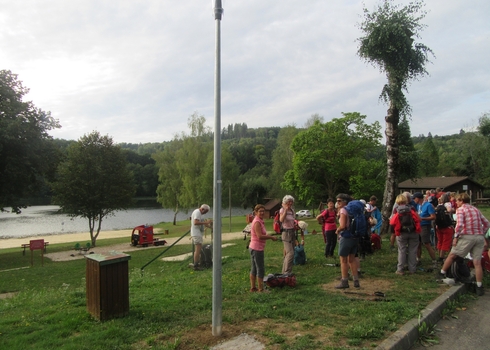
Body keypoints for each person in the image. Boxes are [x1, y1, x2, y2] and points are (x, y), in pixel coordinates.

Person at [438, 193, 490, 296]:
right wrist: (481, 232)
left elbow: (460, 224)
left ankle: (442, 273)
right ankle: (479, 286)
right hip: (478, 237)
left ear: (461, 201)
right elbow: (487, 223)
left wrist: (456, 237)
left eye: (457, 201)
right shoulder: (476, 210)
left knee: (453, 254)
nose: (456, 202)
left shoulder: (461, 210)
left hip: (467, 236)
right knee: (477, 262)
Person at [249, 204, 278, 292]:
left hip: (254, 247)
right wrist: (270, 237)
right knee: (260, 269)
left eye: (263, 211)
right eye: (260, 211)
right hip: (257, 248)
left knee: (254, 268)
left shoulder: (260, 220)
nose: (262, 213)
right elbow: (259, 236)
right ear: (256, 212)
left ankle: (253, 288)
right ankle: (261, 289)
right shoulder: (257, 222)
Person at [390, 194, 421, 275]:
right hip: (413, 232)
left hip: (401, 232)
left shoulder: (396, 210)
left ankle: (400, 269)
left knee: (401, 251)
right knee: (413, 251)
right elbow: (418, 219)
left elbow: (392, 222)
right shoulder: (412, 208)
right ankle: (412, 269)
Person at [335, 193, 360, 289]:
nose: (337, 203)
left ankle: (344, 281)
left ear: (344, 202)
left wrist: (337, 230)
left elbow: (343, 226)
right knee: (352, 259)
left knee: (343, 260)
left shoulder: (343, 210)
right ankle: (356, 280)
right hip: (355, 237)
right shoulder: (353, 210)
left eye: (339, 201)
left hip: (346, 237)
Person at [413, 192, 437, 268]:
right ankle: (418, 259)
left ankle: (434, 260)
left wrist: (422, 218)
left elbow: (433, 217)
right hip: (418, 226)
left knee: (426, 243)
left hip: (425, 226)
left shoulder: (428, 205)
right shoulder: (417, 206)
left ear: (418, 198)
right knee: (418, 244)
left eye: (415, 198)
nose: (414, 200)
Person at [190, 204, 212, 271]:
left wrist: (211, 227)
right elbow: (196, 222)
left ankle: (197, 263)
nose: (205, 213)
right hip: (196, 233)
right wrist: (205, 222)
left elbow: (200, 223)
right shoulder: (197, 212)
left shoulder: (198, 213)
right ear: (202, 209)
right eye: (205, 212)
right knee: (198, 250)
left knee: (198, 249)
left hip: (197, 233)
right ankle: (196, 265)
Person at [435, 192, 454, 263]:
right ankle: (442, 256)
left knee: (440, 241)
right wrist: (453, 210)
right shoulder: (447, 204)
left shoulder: (438, 205)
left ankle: (439, 254)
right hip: (447, 226)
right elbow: (449, 210)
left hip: (439, 226)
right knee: (446, 241)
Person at [279, 195, 296, 274]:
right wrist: (285, 210)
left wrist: (297, 225)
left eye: (291, 201)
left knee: (289, 253)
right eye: (288, 201)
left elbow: (293, 221)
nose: (290, 203)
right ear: (285, 202)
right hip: (286, 233)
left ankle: (285, 272)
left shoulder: (292, 211)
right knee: (290, 253)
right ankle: (287, 272)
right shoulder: (282, 210)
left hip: (292, 232)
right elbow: (281, 220)